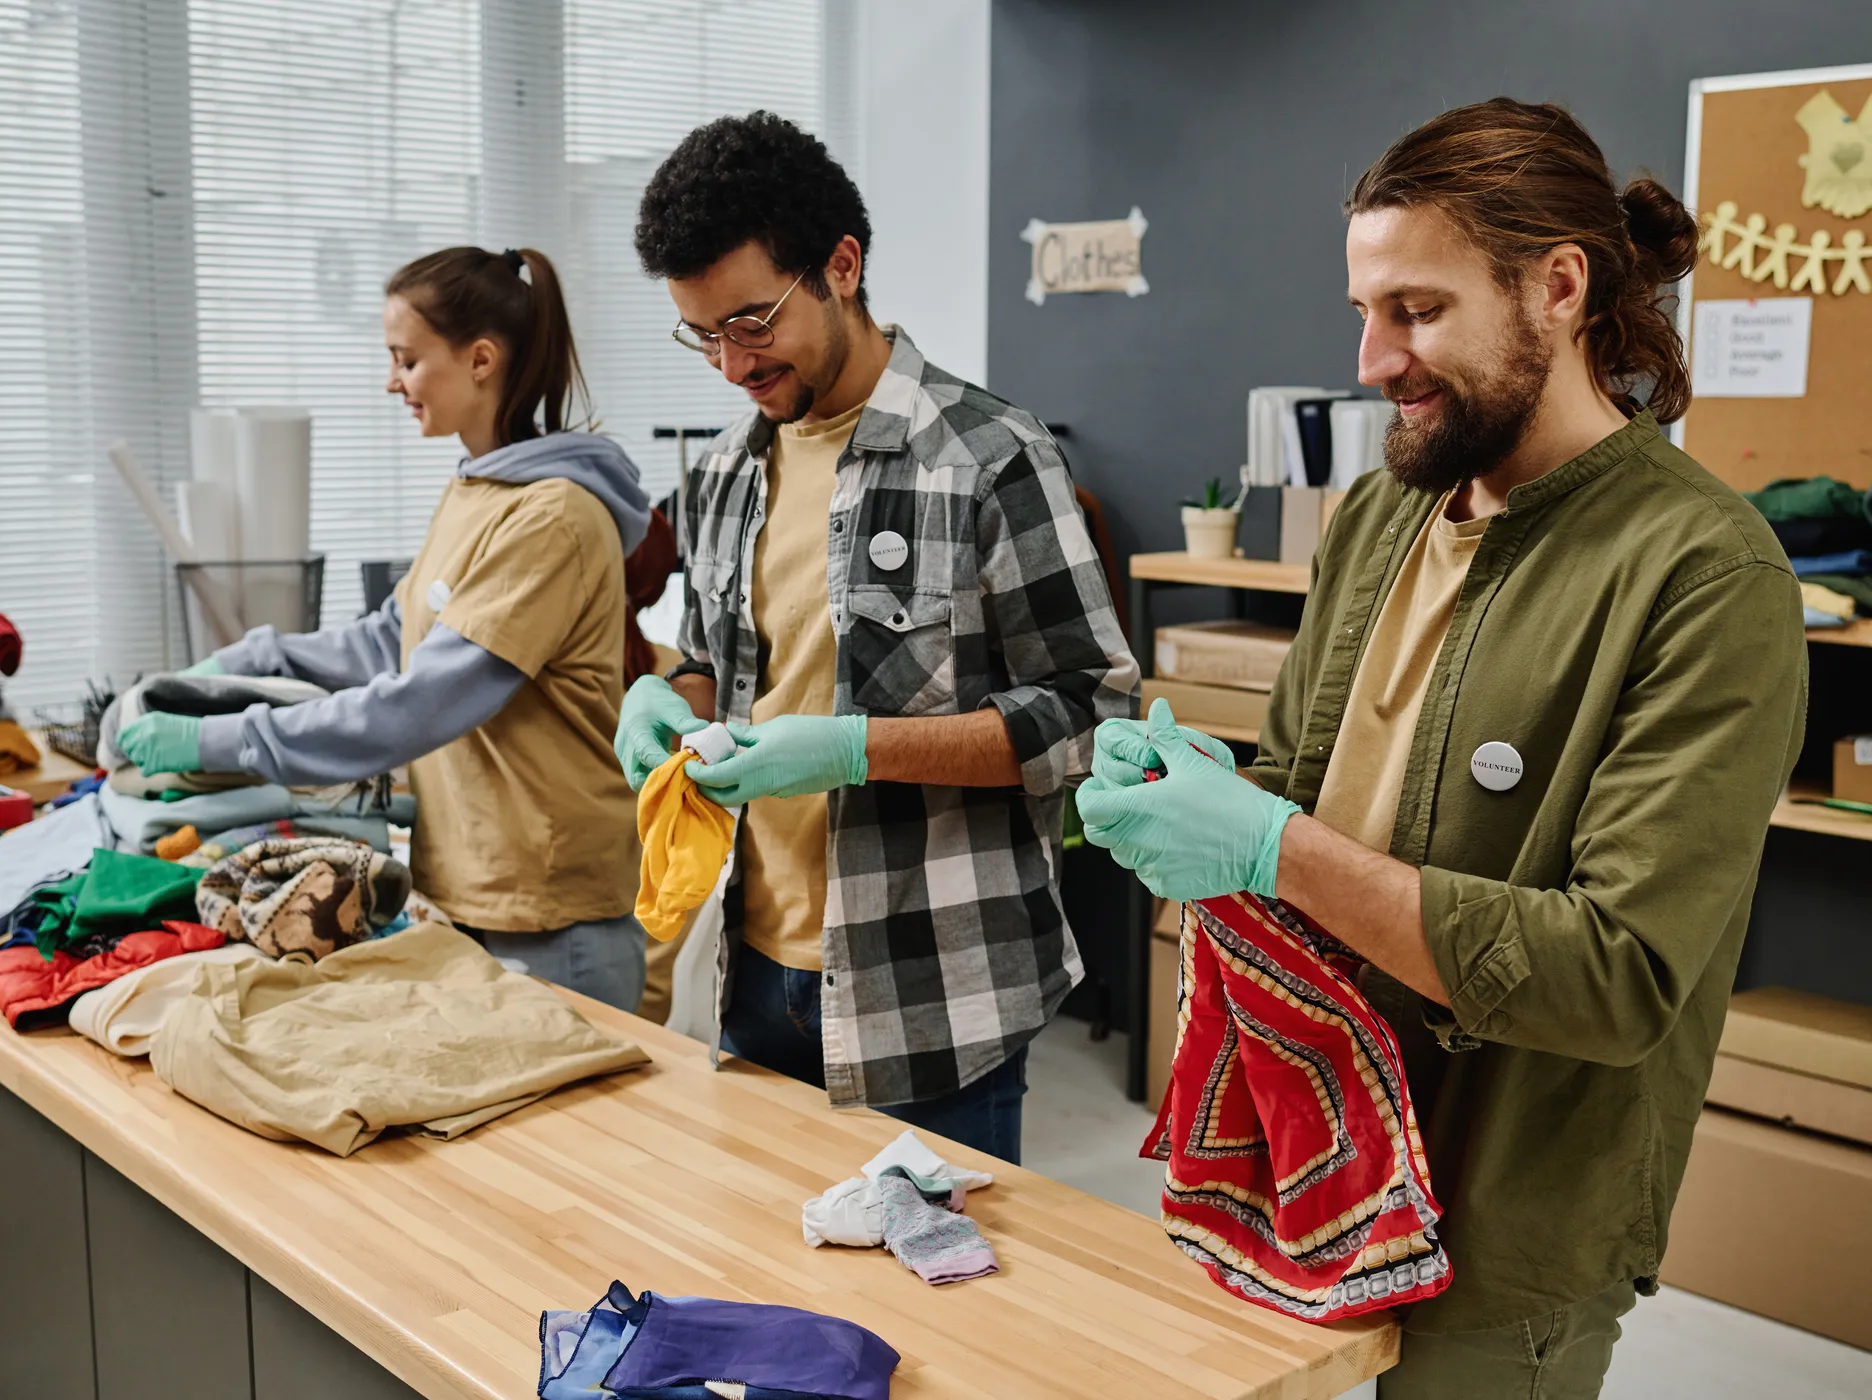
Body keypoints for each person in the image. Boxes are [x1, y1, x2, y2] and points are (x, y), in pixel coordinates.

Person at [1077, 99, 1805, 1398]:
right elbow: (1299, 788)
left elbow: (1619, 975)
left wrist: (1272, 845)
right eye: (1365, 311)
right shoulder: (1379, 515)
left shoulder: (1704, 573)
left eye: (1416, 311)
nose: (1373, 359)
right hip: (1315, 1156)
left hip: (1505, 1215)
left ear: (1559, 289)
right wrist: (1206, 801)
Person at [616, 112, 1138, 1162]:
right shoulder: (721, 473)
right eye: (702, 333)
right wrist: (668, 696)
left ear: (841, 267)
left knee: (931, 1276)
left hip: (933, 995)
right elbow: (716, 664)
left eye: (751, 321)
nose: (730, 363)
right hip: (750, 974)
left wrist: (858, 748)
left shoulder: (989, 456)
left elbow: (1091, 716)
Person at [117, 246, 653, 1011]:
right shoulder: (478, 488)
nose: (392, 381)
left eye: (407, 359)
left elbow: (416, 707)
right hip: (471, 889)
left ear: (480, 359)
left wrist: (219, 739)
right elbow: (387, 639)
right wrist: (250, 660)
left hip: (550, 911)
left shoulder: (552, 517)